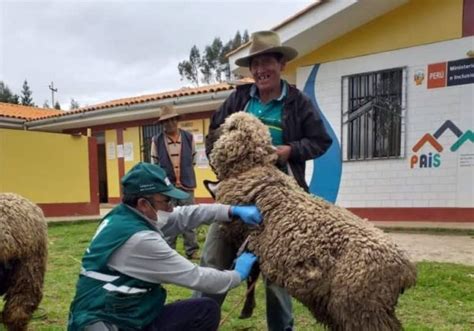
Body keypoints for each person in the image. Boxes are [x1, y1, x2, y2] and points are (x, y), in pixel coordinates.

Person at [196, 30, 333, 331]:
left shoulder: (298, 102)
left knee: (277, 275)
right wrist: (226, 168)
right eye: (254, 64)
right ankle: (197, 321)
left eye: (266, 61)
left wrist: (290, 150)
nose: (260, 70)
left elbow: (321, 141)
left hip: (280, 203)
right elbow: (214, 135)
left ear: (281, 63)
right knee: (213, 259)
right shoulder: (240, 98)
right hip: (236, 199)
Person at [68, 162, 261, 331]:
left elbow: (185, 215)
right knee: (205, 311)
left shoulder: (124, 216)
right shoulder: (141, 240)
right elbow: (196, 277)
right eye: (167, 200)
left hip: (124, 313)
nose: (171, 206)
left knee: (202, 310)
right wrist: (238, 274)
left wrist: (230, 210)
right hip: (111, 323)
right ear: (143, 203)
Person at [150, 105, 200, 260]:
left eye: (172, 120)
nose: (169, 123)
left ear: (176, 120)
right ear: (162, 123)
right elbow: (154, 164)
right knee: (167, 219)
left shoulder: (189, 137)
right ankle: (169, 250)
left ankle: (192, 251)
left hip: (186, 185)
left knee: (189, 217)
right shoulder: (156, 141)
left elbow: (193, 159)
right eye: (166, 121)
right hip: (167, 187)